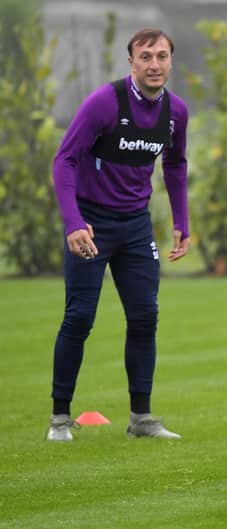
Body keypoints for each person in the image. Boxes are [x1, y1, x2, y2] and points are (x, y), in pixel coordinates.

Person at [47, 28, 190, 441]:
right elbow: (65, 161)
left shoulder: (176, 112)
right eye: (145, 56)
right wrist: (74, 222)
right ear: (131, 62)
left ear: (170, 61)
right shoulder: (105, 103)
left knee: (145, 317)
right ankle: (59, 419)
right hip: (91, 224)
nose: (154, 64)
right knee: (79, 317)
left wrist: (181, 221)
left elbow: (176, 165)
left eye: (162, 56)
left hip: (135, 225)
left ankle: (141, 419)